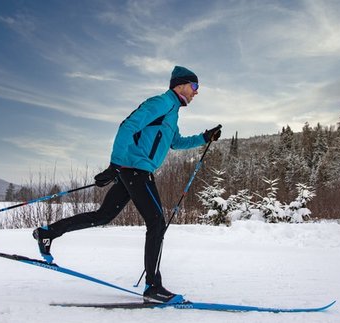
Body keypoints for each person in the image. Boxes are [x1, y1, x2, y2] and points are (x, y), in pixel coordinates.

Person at [32, 66, 221, 304]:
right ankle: (153, 287)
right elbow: (127, 125)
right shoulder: (161, 103)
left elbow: (176, 142)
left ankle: (48, 233)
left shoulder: (172, 112)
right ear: (180, 85)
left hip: (134, 170)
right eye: (194, 87)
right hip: (136, 170)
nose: (196, 92)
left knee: (103, 216)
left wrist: (205, 137)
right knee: (156, 222)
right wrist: (115, 164)